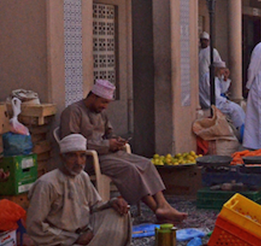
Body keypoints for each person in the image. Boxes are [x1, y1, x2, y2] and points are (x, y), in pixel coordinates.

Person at [59, 80, 187, 223]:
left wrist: (116, 141)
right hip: (88, 159)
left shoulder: (101, 113)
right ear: (93, 96)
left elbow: (109, 133)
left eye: (107, 103)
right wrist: (106, 144)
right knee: (130, 169)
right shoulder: (73, 112)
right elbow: (72, 144)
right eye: (103, 102)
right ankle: (155, 209)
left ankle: (163, 205)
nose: (105, 106)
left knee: (146, 163)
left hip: (108, 154)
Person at [26, 134, 131, 246]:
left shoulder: (82, 176)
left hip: (84, 233)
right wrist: (73, 238)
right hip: (57, 244)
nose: (79, 162)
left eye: (82, 156)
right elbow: (34, 226)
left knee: (121, 213)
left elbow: (95, 206)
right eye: (72, 156)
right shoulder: (46, 184)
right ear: (62, 157)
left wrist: (112, 203)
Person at [212, 61, 246, 134]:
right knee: (235, 109)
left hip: (220, 101)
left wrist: (225, 78)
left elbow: (223, 90)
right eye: (222, 69)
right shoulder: (209, 78)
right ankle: (240, 131)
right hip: (215, 103)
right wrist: (225, 101)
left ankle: (242, 129)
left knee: (238, 108)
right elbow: (216, 96)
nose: (223, 72)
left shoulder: (216, 79)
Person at [198, 32, 222, 109]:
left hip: (207, 77)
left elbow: (218, 63)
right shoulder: (198, 51)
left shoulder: (212, 51)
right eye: (202, 40)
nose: (203, 42)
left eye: (205, 40)